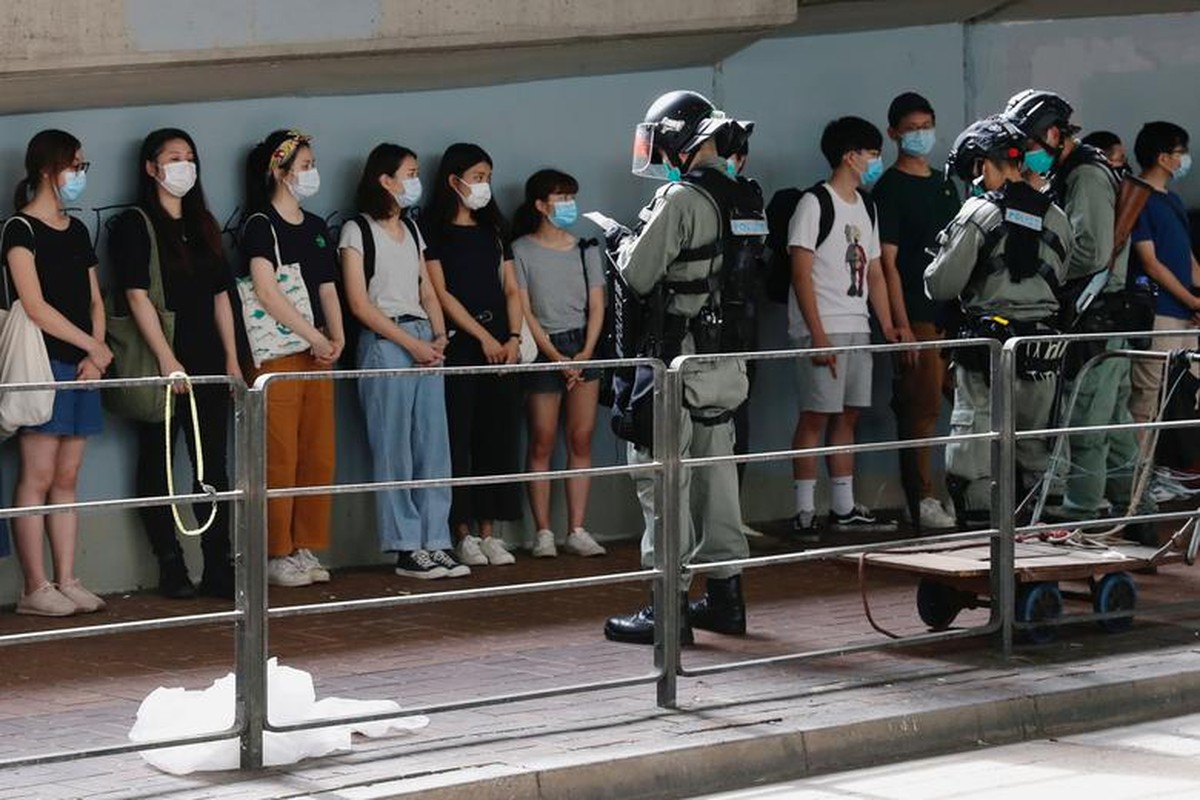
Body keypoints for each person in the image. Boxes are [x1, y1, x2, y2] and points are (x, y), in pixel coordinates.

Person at [602, 89, 758, 645]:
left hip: (678, 362)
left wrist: (621, 242)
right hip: (726, 364)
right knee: (719, 482)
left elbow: (639, 276)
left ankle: (668, 611)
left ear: (674, 141)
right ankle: (726, 599)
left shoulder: (680, 198)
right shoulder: (745, 196)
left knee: (662, 482)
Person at [108, 128, 240, 600]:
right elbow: (136, 294)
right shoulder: (134, 224)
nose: (185, 165)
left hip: (207, 360)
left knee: (214, 467)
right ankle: (171, 564)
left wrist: (231, 359)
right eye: (173, 157)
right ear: (151, 168)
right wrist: (167, 359)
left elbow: (223, 295)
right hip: (161, 361)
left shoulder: (203, 223)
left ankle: (219, 563)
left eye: (190, 156)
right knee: (158, 462)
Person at [924, 116, 1072, 527]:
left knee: (975, 455)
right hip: (1043, 353)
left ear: (981, 166)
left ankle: (987, 559)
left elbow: (940, 284)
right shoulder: (1055, 214)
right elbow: (1068, 271)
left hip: (988, 355)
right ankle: (1043, 557)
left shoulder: (978, 212)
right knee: (1038, 451)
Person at [1005, 90, 1140, 525]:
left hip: (1097, 310)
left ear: (1051, 133)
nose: (1025, 153)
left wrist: (1042, 269)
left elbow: (1090, 251)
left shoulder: (1084, 175)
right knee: (1113, 426)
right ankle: (1138, 512)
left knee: (1086, 424)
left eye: (1028, 143)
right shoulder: (1073, 171)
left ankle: (1082, 520)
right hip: (1102, 311)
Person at [339, 143, 469, 580]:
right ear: (385, 180)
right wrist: (409, 344)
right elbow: (359, 302)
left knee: (434, 443)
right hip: (385, 339)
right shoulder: (357, 231)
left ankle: (437, 538)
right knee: (393, 445)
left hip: (423, 339)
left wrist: (437, 336)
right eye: (409, 172)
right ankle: (405, 545)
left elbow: (428, 290)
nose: (414, 181)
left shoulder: (413, 231)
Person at [4, 129, 111, 616]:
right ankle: (34, 586)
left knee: (68, 475)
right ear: (48, 169)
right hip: (40, 362)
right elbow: (34, 304)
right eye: (75, 166)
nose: (79, 176)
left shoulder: (78, 229)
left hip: (82, 366)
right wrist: (90, 344)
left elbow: (94, 297)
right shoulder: (19, 230)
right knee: (38, 472)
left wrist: (97, 350)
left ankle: (68, 578)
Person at [238, 129, 342, 588]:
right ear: (279, 171)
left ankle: (305, 545)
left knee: (317, 453)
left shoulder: (317, 227)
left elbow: (326, 287)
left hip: (318, 356)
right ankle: (275, 550)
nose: (311, 173)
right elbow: (266, 289)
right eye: (303, 166)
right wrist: (311, 337)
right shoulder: (260, 224)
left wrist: (335, 338)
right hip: (279, 357)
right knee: (278, 454)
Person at [788, 116, 898, 540]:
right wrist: (816, 334)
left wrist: (887, 325)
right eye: (871, 153)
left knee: (848, 414)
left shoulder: (867, 205)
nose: (875, 161)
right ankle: (802, 510)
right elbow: (801, 272)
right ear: (850, 156)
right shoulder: (814, 203)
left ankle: (843, 506)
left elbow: (874, 273)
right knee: (816, 415)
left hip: (857, 324)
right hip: (823, 326)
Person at [425, 143, 522, 567]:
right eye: (477, 177)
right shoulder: (432, 230)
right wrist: (482, 336)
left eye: (488, 177)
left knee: (497, 436)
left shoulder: (495, 231)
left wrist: (514, 336)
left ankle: (491, 531)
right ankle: (461, 531)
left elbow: (513, 288)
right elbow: (441, 293)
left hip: (503, 345)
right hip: (465, 343)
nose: (484, 185)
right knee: (458, 439)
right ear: (454, 180)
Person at [872, 91, 961, 530]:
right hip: (919, 313)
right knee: (920, 408)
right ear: (894, 134)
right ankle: (920, 498)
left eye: (926, 126)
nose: (921, 135)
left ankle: (967, 489)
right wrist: (901, 324)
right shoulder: (889, 188)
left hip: (954, 315)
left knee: (967, 405)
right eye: (912, 129)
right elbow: (886, 263)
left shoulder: (946, 183)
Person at [510, 169, 607, 559]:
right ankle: (544, 532)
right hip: (542, 348)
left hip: (582, 344)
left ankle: (577, 528)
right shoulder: (521, 249)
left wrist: (584, 351)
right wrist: (553, 354)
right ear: (539, 204)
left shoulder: (586, 247)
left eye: (571, 196)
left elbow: (597, 304)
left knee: (581, 437)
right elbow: (523, 306)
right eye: (560, 197)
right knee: (542, 438)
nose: (568, 205)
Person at [1128, 122, 1199, 431]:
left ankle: (1181, 468)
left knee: (1188, 393)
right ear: (1162, 157)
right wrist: (1191, 300)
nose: (1185, 159)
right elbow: (1151, 263)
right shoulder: (1138, 199)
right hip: (1161, 313)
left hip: (1187, 312)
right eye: (1180, 152)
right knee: (1149, 397)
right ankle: (1143, 474)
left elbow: (1188, 257)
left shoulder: (1172, 199)